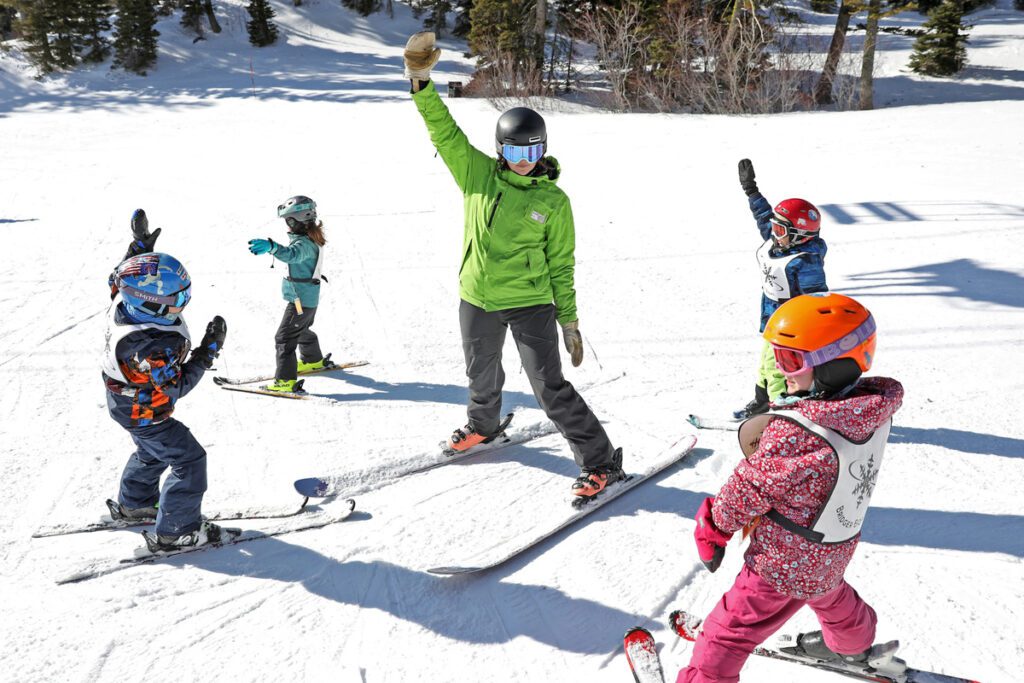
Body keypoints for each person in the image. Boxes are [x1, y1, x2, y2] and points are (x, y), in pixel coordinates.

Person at [403, 32, 623, 497]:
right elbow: (443, 130)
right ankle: (483, 426)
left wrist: (570, 321)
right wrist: (420, 80)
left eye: (532, 152)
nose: (523, 161)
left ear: (542, 150)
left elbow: (561, 265)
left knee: (549, 388)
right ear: (500, 149)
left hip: (530, 303)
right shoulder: (477, 173)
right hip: (477, 296)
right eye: (514, 152)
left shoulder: (554, 201)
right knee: (480, 374)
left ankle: (601, 462)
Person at [679, 292, 904, 683]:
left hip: (781, 562)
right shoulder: (869, 410)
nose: (780, 371)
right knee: (827, 590)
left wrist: (714, 525)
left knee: (728, 635)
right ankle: (854, 645)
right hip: (833, 545)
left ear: (833, 365)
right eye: (777, 357)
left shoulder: (797, 431)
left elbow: (749, 487)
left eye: (790, 360)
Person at [102, 209, 230, 550]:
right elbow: (177, 386)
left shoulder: (124, 299)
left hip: (124, 401)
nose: (183, 306)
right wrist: (207, 352)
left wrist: (139, 251)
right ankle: (176, 531)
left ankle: (137, 503)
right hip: (145, 410)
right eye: (178, 300)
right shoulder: (153, 347)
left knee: (151, 452)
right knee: (188, 460)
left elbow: (122, 278)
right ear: (152, 304)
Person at [733, 159, 828, 419]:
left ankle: (782, 412)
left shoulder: (806, 261)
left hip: (791, 328)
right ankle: (762, 402)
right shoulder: (780, 243)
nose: (774, 233)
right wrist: (751, 190)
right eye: (774, 228)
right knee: (765, 366)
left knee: (778, 370)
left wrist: (810, 332)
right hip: (772, 318)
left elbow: (816, 298)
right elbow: (764, 216)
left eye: (780, 229)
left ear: (798, 234)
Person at [248, 196, 334, 394]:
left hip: (301, 299)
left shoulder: (304, 245)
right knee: (301, 329)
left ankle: (285, 382)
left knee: (284, 337)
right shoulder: (309, 239)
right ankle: (313, 360)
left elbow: (292, 255)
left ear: (296, 222)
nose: (287, 225)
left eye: (288, 221)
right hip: (306, 298)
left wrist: (273, 247)